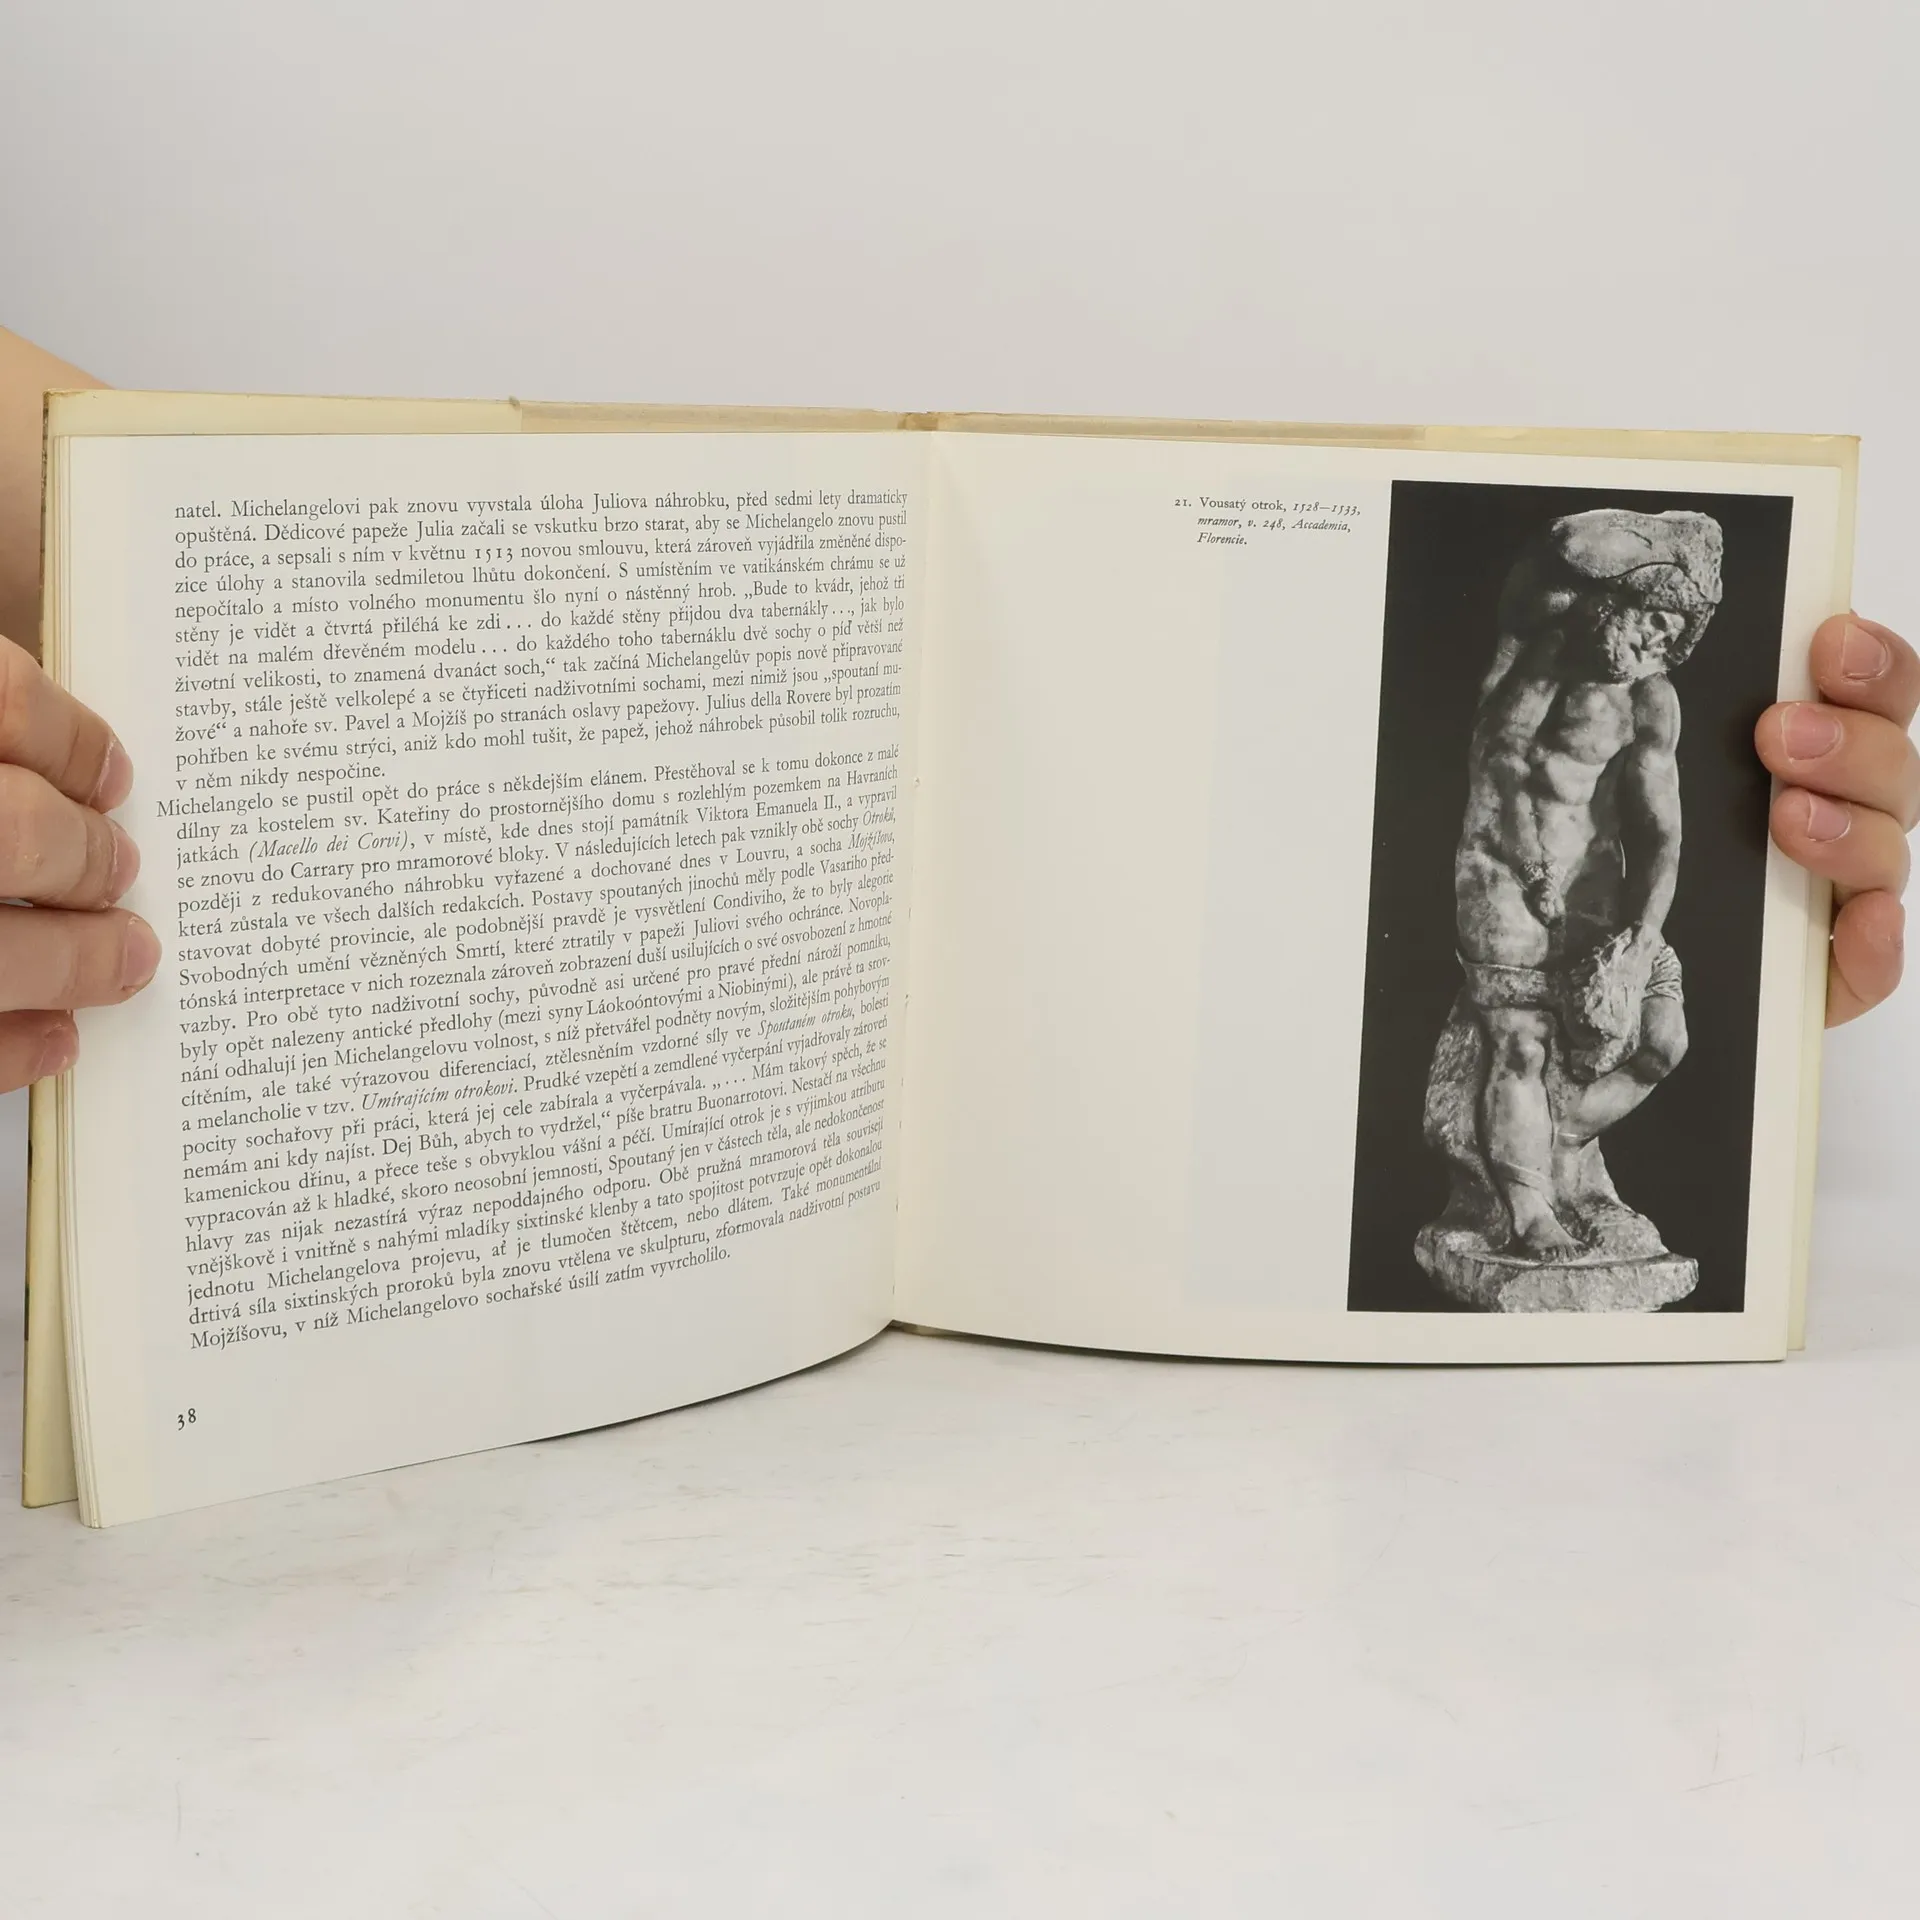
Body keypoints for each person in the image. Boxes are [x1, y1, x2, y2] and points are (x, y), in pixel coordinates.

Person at [0, 322, 1912, 1101]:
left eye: (1672, 628)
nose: (1646, 646)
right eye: (1641, 618)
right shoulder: (1536, 665)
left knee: (1623, 1044)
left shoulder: (1644, 716)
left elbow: (82, 519)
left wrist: (1726, 895)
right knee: (1513, 1046)